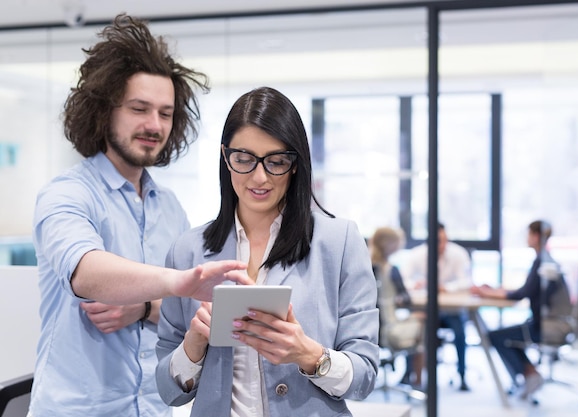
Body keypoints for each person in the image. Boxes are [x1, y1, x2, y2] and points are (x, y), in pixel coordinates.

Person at [29, 14, 255, 417]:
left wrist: (145, 306)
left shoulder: (169, 207)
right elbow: (85, 272)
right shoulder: (66, 194)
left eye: (165, 113)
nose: (154, 125)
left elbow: (185, 314)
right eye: (139, 108)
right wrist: (174, 283)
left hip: (152, 408)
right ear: (105, 111)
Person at [155, 86, 380, 416]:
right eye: (244, 159)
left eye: (275, 161)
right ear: (225, 157)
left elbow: (366, 377)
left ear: (294, 165)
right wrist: (193, 344)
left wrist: (310, 355)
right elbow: (167, 391)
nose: (259, 177)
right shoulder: (188, 250)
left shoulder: (339, 241)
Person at [471, 220, 572, 400]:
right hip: (549, 322)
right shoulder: (545, 260)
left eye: (529, 234)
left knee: (495, 336)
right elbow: (527, 290)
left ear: (537, 236)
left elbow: (521, 294)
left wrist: (488, 293)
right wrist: (494, 291)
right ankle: (529, 373)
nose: (527, 238)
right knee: (503, 335)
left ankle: (529, 374)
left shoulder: (543, 263)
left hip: (546, 327)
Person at [400, 222, 472, 391]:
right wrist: (416, 284)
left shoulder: (458, 254)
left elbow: (467, 281)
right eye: (439, 240)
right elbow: (404, 280)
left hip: (451, 311)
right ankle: (409, 374)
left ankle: (462, 375)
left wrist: (446, 287)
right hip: (426, 310)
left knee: (460, 332)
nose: (443, 244)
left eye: (445, 240)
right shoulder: (417, 255)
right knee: (416, 328)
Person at [369, 227, 425, 388]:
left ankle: (408, 375)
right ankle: (416, 379)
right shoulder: (392, 270)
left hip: (369, 329)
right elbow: (405, 300)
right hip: (390, 330)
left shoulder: (365, 267)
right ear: (391, 245)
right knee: (423, 319)